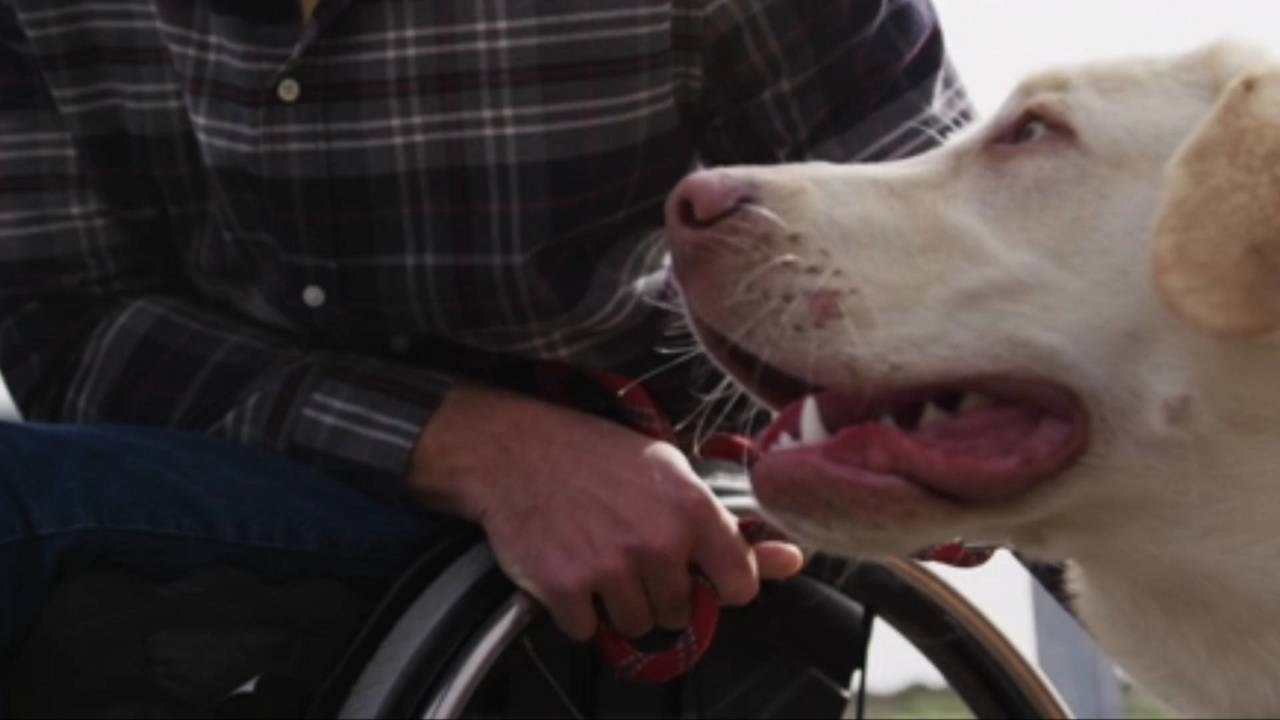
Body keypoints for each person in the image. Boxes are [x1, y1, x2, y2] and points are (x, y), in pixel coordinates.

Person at [0, 0, 970, 709]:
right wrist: (481, 448)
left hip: (670, 518)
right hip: (237, 473)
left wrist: (950, 461)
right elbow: (61, 322)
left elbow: (953, 255)